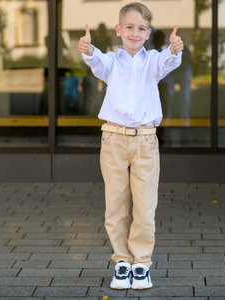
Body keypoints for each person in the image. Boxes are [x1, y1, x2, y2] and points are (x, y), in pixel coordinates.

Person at [78, 2, 183, 290]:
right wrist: (89, 50)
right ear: (119, 30)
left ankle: (142, 264)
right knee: (115, 205)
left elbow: (168, 61)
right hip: (112, 139)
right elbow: (97, 62)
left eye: (140, 28)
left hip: (146, 141)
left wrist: (174, 50)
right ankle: (122, 261)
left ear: (148, 33)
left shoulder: (153, 62)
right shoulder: (113, 61)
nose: (134, 33)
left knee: (146, 207)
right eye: (129, 27)